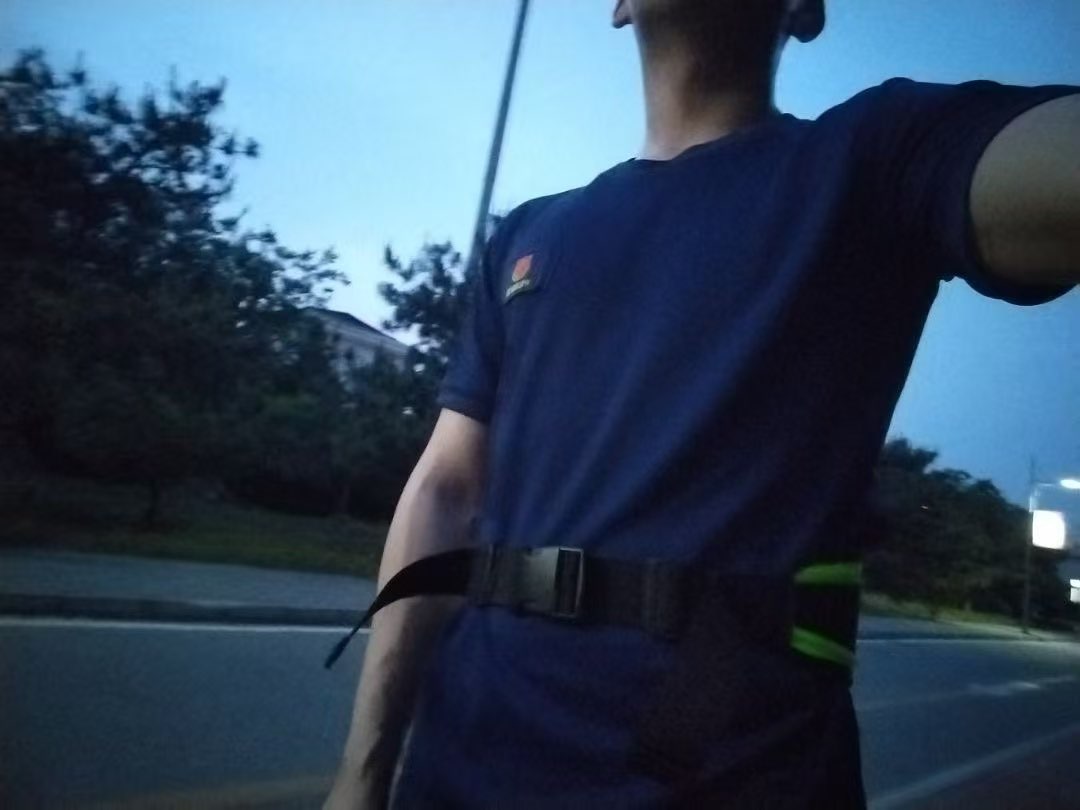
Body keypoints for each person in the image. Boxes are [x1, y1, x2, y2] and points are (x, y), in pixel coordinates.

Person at [325, 1, 1079, 807]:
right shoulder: (527, 235)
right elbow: (445, 490)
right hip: (456, 762)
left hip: (718, 772)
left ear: (805, 9)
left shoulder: (872, 162)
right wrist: (361, 776)